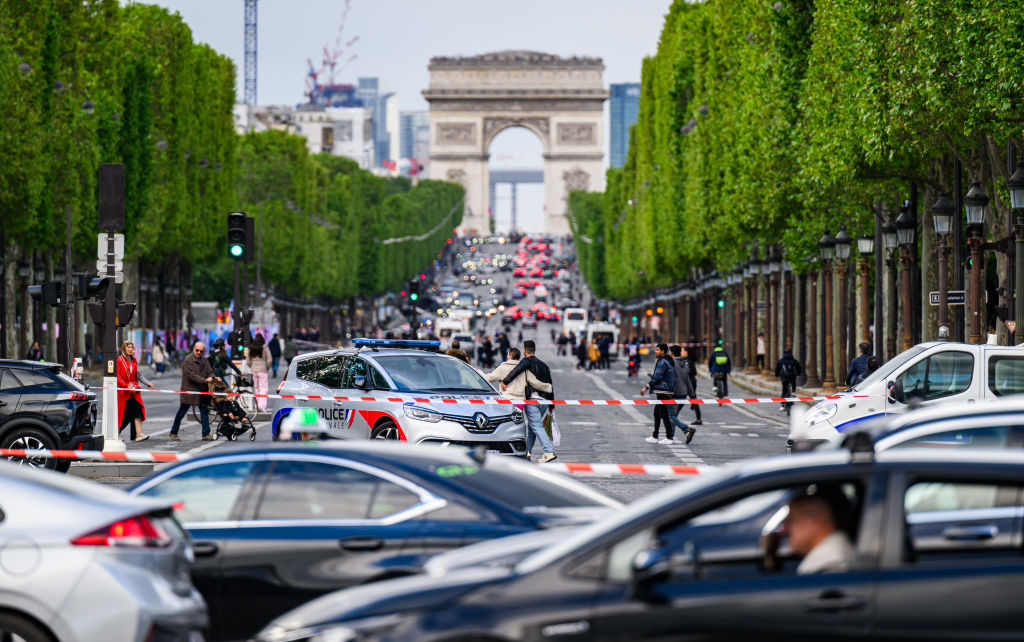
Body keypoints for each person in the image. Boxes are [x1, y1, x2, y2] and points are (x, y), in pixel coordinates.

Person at [484, 346, 555, 462]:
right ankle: (525, 451)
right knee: (520, 425)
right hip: (521, 403)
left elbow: (489, 378)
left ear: (509, 356)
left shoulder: (503, 367)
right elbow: (536, 383)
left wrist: (478, 373)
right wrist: (548, 387)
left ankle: (500, 448)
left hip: (506, 402)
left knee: (503, 424)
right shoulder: (524, 369)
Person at [786, 492, 854, 575]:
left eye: (791, 520)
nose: (785, 528)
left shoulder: (829, 565)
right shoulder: (830, 554)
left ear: (814, 523)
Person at [169, 341, 219, 441]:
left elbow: (210, 371)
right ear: (193, 349)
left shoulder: (205, 360)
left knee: (204, 411)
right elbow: (192, 376)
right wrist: (205, 380)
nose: (199, 353)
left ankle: (205, 434)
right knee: (181, 412)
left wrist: (214, 377)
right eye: (197, 350)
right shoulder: (188, 360)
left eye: (201, 351)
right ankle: (173, 431)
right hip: (190, 391)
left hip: (202, 391)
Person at [116, 341, 153, 442]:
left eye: (132, 347)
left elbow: (138, 375)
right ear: (124, 348)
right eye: (129, 347)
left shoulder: (134, 361)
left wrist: (148, 383)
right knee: (124, 414)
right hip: (124, 392)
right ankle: (116, 434)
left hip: (134, 392)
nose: (131, 349)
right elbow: (118, 377)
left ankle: (138, 434)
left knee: (138, 410)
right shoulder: (119, 360)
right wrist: (126, 385)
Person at [641, 343, 677, 444]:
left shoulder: (663, 361)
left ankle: (669, 437)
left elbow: (658, 376)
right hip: (665, 389)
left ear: (662, 351)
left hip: (663, 390)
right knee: (657, 413)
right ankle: (655, 435)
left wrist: (646, 387)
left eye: (657, 350)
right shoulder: (667, 360)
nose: (655, 351)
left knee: (663, 413)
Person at [668, 345, 697, 444]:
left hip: (674, 394)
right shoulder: (684, 364)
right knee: (673, 416)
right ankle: (670, 436)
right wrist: (692, 397)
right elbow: (688, 381)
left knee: (671, 416)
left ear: (671, 353)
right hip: (683, 395)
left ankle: (687, 429)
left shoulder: (670, 363)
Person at [247, 333, 272, 411]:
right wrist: (266, 367)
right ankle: (262, 406)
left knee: (257, 388)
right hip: (262, 371)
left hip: (254, 370)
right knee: (263, 388)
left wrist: (251, 366)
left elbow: (248, 361)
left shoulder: (251, 348)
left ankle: (256, 405)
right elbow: (269, 359)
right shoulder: (264, 348)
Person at [775, 347, 803, 415]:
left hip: (784, 377)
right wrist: (798, 374)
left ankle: (782, 405)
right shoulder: (794, 360)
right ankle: (793, 391)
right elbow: (798, 368)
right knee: (793, 383)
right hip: (792, 376)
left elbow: (777, 368)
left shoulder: (781, 360)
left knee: (784, 389)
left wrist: (777, 374)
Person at [679, 346, 702, 426]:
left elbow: (691, 372)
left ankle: (673, 416)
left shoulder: (687, 361)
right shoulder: (685, 360)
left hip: (689, 383)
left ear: (686, 352)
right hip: (690, 383)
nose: (681, 353)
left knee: (680, 398)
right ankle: (698, 419)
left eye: (682, 351)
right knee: (693, 399)